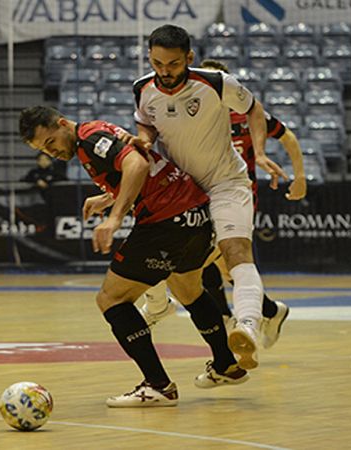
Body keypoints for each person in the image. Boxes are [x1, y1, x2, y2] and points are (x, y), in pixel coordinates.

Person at [19, 105, 249, 407]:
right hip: (195, 214)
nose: (52, 153)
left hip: (166, 221)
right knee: (188, 289)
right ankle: (226, 365)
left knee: (111, 299)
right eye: (43, 150)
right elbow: (145, 171)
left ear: (62, 124)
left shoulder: (89, 140)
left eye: (51, 143)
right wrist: (109, 197)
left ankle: (158, 385)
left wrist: (114, 218)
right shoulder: (95, 133)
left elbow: (137, 166)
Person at [118, 25, 290, 370]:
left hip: (227, 182)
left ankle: (247, 325)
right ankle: (262, 313)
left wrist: (260, 150)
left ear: (189, 58)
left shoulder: (214, 82)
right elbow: (145, 123)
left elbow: (254, 109)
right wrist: (145, 140)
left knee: (235, 252)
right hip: (182, 190)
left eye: (173, 64)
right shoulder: (142, 88)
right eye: (157, 63)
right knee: (172, 258)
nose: (165, 72)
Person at [142, 59, 306, 350]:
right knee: (219, 266)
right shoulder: (194, 114)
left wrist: (299, 176)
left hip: (236, 191)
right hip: (197, 192)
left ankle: (236, 320)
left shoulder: (246, 114)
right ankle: (265, 312)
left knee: (217, 261)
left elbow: (288, 136)